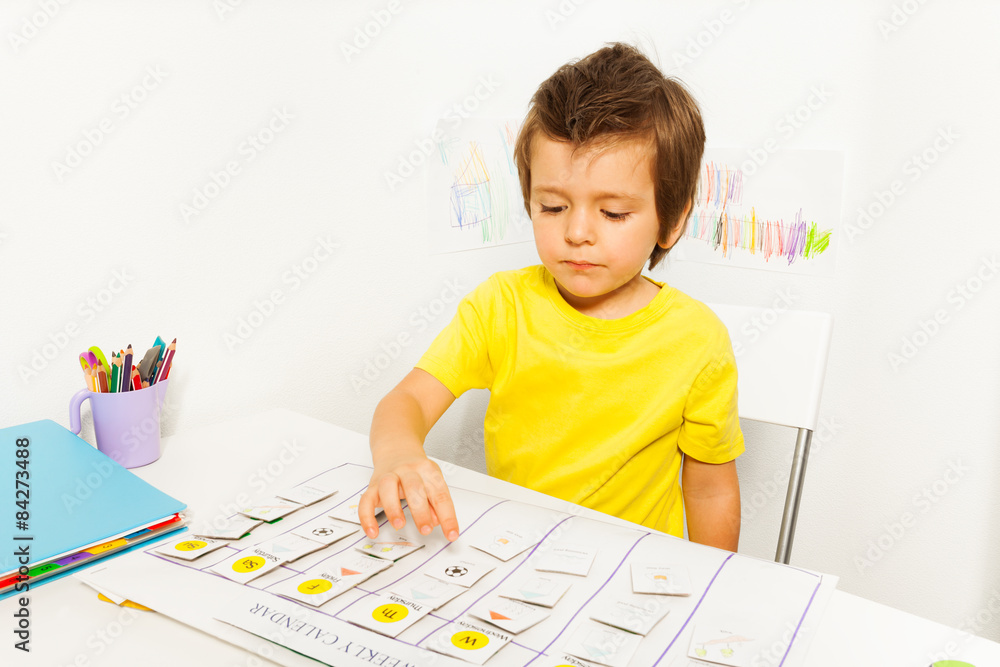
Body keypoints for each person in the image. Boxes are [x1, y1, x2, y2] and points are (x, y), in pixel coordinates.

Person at [359, 42, 744, 551]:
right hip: (512, 557)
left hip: (630, 574)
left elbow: (711, 491)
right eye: (554, 206)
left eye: (613, 214)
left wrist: (712, 586)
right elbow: (405, 401)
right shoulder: (500, 306)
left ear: (671, 221)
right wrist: (397, 454)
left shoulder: (697, 340)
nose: (577, 232)